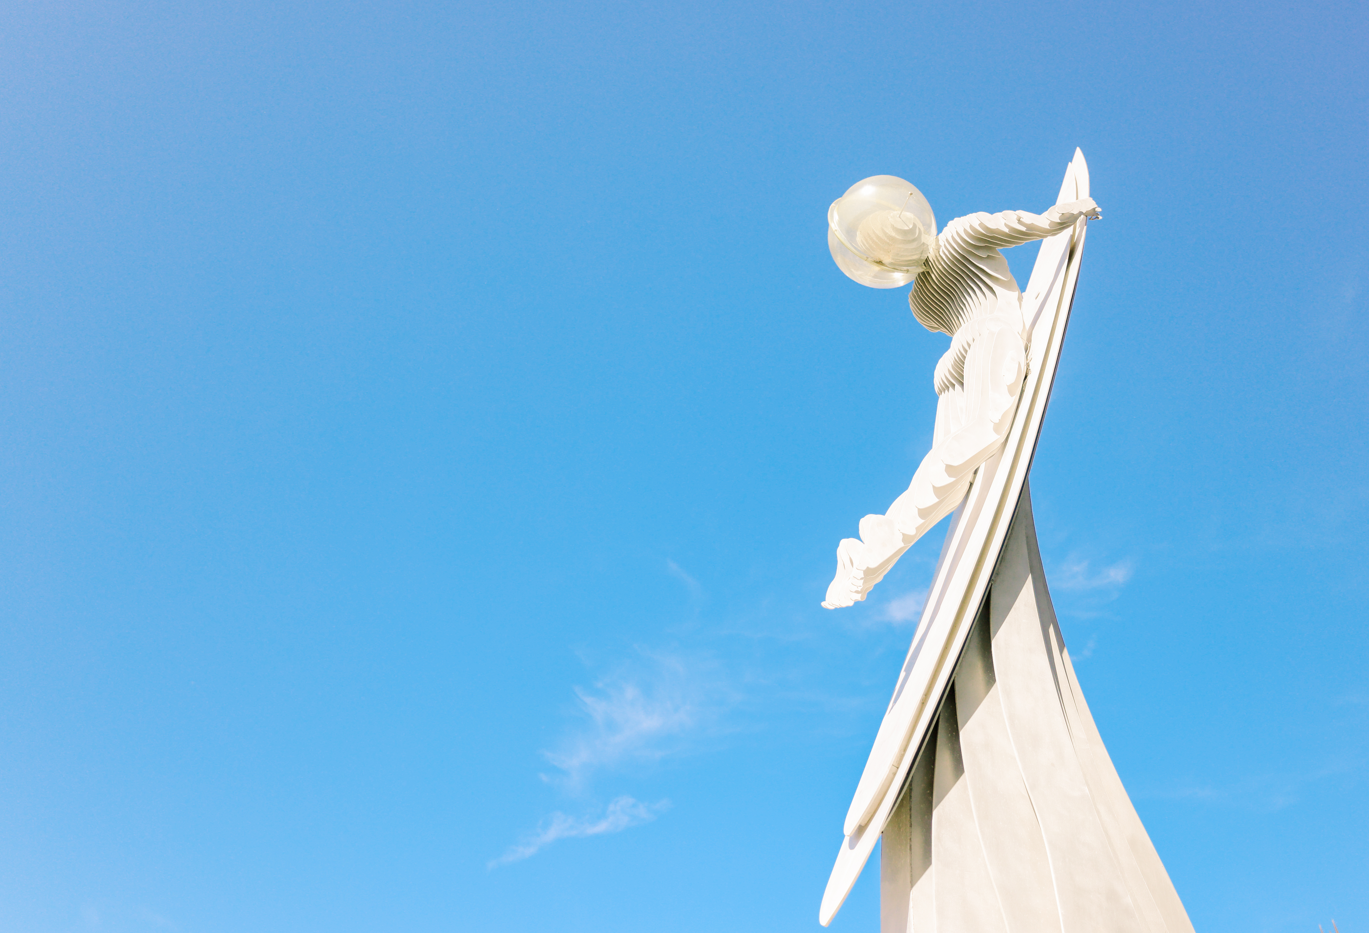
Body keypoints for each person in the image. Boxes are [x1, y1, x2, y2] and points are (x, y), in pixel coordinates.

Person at [822, 195, 1102, 610]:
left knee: (951, 475)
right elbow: (1033, 225)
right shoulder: (961, 233)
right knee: (983, 433)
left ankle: (871, 552)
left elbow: (948, 322)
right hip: (990, 336)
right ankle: (870, 550)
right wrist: (1074, 209)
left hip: (951, 366)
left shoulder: (920, 301)